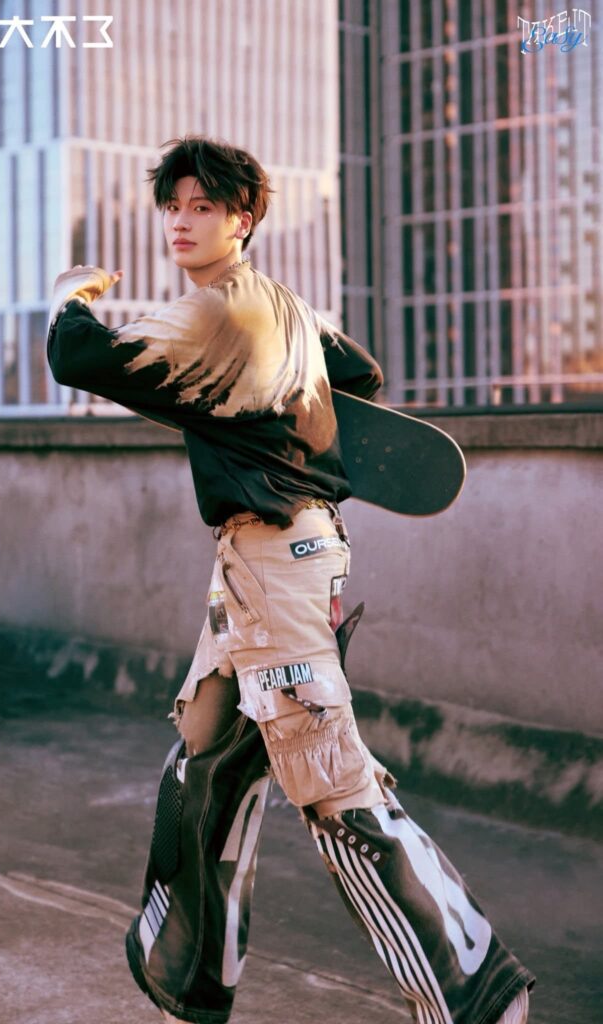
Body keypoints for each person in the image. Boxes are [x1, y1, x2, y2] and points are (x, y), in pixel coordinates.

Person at [46, 135, 534, 1024]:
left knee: (332, 791)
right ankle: (190, 979)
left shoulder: (216, 313)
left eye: (203, 207)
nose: (181, 222)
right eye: (172, 206)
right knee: (206, 755)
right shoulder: (283, 307)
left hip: (276, 568)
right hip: (266, 563)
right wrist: (266, 416)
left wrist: (71, 296)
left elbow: (78, 358)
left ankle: (476, 997)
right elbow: (358, 374)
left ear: (242, 219)